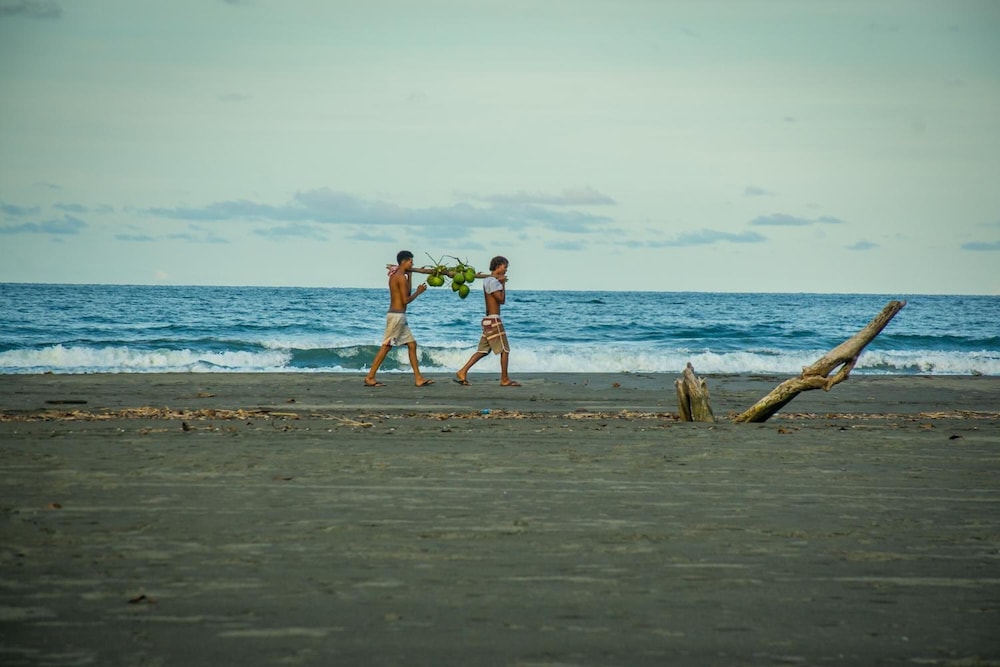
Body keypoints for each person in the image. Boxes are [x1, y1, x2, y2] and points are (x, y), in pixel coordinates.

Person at [365, 250, 435, 387]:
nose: (412, 264)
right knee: (386, 346)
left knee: (412, 345)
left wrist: (410, 275)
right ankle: (370, 376)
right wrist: (419, 292)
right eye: (411, 261)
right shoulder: (400, 277)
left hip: (400, 316)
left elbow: (406, 291)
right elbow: (405, 300)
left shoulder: (399, 275)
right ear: (404, 262)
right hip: (396, 316)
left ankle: (418, 378)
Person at [453, 255, 521, 387]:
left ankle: (462, 371)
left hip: (487, 320)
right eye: (505, 267)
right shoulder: (494, 282)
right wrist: (502, 284)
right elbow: (501, 300)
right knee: (505, 350)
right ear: (498, 266)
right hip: (494, 320)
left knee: (483, 350)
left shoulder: (487, 280)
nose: (506, 269)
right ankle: (504, 379)